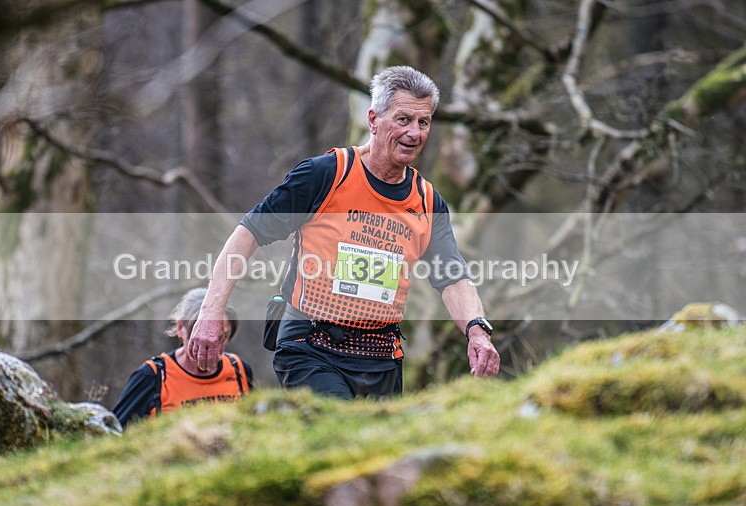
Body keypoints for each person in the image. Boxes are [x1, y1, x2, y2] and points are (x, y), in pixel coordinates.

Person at [188, 65, 499, 399]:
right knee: (334, 426)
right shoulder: (326, 175)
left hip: (382, 359)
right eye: (403, 119)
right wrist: (211, 310)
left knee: (375, 450)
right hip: (311, 348)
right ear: (373, 120)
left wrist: (477, 331)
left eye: (423, 122)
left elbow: (453, 277)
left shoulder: (425, 201)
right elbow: (249, 232)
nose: (414, 133)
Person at [113, 287, 252, 427]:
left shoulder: (238, 368)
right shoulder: (152, 376)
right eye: (201, 337)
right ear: (180, 328)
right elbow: (115, 433)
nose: (212, 345)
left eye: (223, 337)